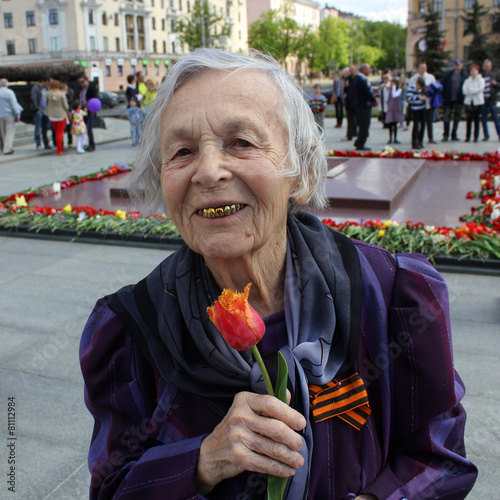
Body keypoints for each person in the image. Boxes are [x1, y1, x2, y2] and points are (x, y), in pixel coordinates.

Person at [80, 48, 477, 500]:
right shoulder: (131, 329)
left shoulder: (390, 292)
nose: (208, 171)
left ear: (303, 171)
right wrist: (204, 460)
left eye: (241, 143)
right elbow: (110, 488)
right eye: (182, 151)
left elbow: (440, 457)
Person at [351, 63, 378, 151]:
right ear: (364, 70)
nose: (370, 70)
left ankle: (359, 141)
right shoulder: (361, 79)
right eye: (369, 69)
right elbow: (367, 92)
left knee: (363, 124)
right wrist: (373, 100)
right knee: (364, 125)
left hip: (360, 106)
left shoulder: (358, 78)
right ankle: (360, 143)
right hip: (363, 106)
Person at [409, 62, 437, 144]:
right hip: (417, 104)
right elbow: (411, 90)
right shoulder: (413, 78)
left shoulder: (430, 77)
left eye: (425, 67)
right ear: (418, 68)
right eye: (422, 67)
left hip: (427, 102)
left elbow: (435, 87)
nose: (424, 69)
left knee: (428, 121)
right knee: (417, 123)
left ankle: (430, 137)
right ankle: (417, 139)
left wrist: (430, 90)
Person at [441, 60, 467, 141]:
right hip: (448, 99)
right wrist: (443, 97)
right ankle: (446, 135)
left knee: (457, 117)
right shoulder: (448, 75)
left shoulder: (464, 76)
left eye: (459, 65)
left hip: (459, 100)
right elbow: (442, 86)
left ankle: (454, 134)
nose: (457, 66)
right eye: (456, 64)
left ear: (461, 65)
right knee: (446, 117)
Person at [44, 80, 69, 155]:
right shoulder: (61, 94)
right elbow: (66, 106)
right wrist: (68, 111)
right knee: (60, 133)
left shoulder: (48, 93)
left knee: (56, 132)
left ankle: (59, 147)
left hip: (51, 116)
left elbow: (47, 96)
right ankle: (59, 149)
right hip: (60, 115)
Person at [463, 64, 485, 143]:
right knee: (469, 119)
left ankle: (476, 137)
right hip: (469, 101)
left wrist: (471, 90)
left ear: (477, 71)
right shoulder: (467, 80)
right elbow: (464, 91)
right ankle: (468, 136)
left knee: (476, 119)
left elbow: (480, 89)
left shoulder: (480, 80)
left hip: (478, 102)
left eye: (474, 70)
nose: (473, 72)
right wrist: (472, 90)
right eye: (472, 70)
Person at [0, 79, 23, 155]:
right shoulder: (10, 92)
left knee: (3, 132)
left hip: (1, 115)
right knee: (9, 132)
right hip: (9, 114)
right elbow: (14, 104)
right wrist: (17, 114)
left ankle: (4, 147)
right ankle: (7, 148)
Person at [30, 76, 52, 151]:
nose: (47, 84)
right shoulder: (36, 88)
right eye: (46, 82)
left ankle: (46, 143)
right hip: (39, 110)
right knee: (38, 127)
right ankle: (38, 143)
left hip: (45, 110)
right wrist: (37, 108)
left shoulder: (46, 89)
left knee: (45, 128)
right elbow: (34, 98)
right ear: (42, 81)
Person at [481, 59, 500, 141]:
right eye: (485, 66)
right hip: (483, 100)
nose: (487, 67)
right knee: (483, 119)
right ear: (483, 67)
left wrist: (496, 84)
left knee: (496, 119)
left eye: (488, 66)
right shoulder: (481, 76)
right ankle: (486, 135)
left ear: (491, 67)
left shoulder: (495, 75)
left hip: (492, 100)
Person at [78, 75, 98, 152]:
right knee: (85, 128)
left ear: (86, 80)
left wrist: (93, 110)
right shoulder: (82, 90)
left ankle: (92, 145)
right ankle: (89, 144)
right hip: (83, 110)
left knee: (89, 128)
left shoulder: (91, 88)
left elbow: (94, 99)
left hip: (90, 110)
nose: (81, 84)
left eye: (82, 81)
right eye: (80, 82)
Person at [407, 77, 427, 149]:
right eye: (419, 87)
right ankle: (414, 142)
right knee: (416, 126)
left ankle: (420, 141)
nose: (420, 89)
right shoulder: (411, 88)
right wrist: (418, 97)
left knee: (423, 125)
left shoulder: (422, 89)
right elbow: (409, 98)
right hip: (415, 109)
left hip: (422, 108)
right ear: (417, 84)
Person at [384, 77, 403, 144]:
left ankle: (395, 138)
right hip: (390, 108)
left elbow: (394, 95)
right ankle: (390, 138)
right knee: (390, 124)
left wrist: (394, 87)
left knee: (395, 124)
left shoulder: (399, 90)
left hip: (396, 108)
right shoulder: (389, 90)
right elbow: (386, 99)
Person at [344, 65, 358, 140]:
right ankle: (349, 134)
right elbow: (345, 90)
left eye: (352, 70)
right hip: (349, 102)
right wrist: (346, 86)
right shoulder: (348, 79)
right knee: (350, 119)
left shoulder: (357, 79)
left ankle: (355, 132)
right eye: (350, 70)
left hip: (356, 102)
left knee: (357, 119)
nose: (351, 71)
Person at [60, 80, 74, 147]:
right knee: (61, 128)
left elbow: (71, 100)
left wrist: (64, 100)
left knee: (69, 127)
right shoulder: (59, 91)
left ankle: (70, 141)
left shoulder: (70, 91)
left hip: (68, 110)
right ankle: (61, 143)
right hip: (61, 111)